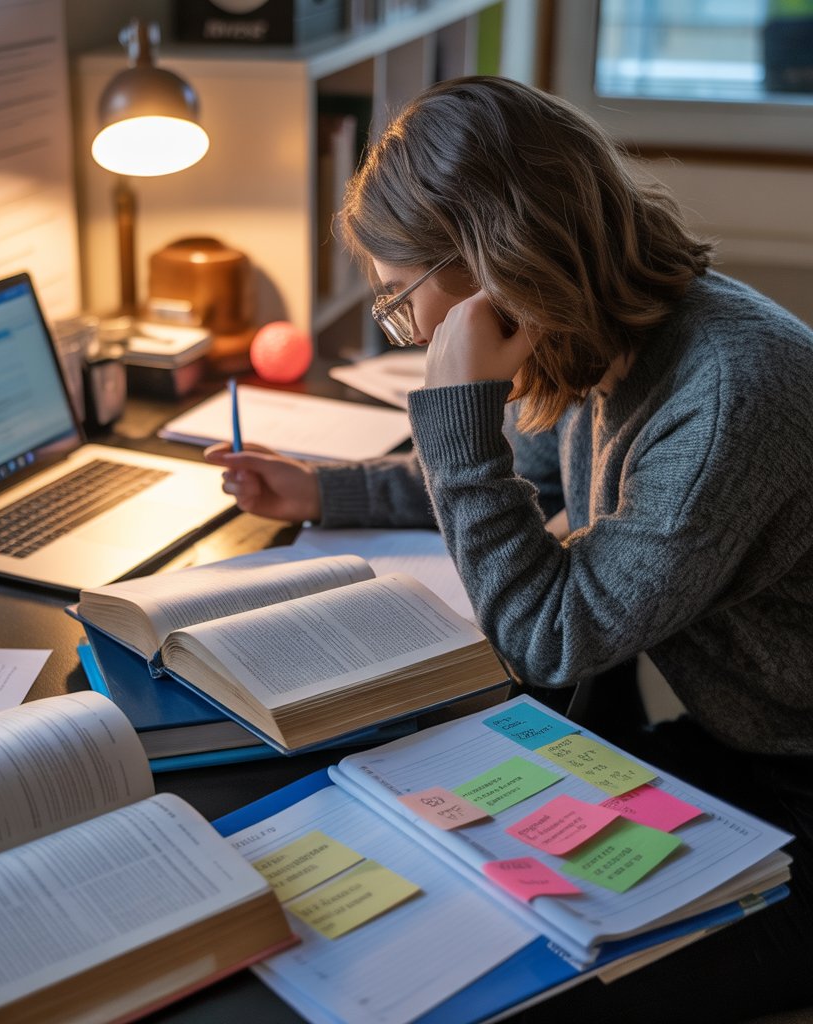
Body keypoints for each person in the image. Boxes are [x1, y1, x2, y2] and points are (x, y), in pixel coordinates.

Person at [205, 76, 813, 1022]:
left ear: (493, 262)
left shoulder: (727, 394)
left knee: (510, 996)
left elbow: (549, 633)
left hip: (796, 785)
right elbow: (518, 480)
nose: (405, 332)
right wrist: (328, 488)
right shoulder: (597, 334)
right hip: (740, 739)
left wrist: (455, 407)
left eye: (398, 299)